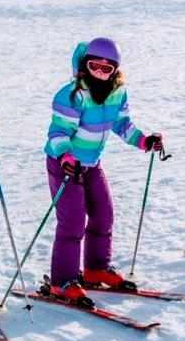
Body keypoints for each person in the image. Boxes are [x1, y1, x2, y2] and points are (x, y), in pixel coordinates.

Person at [43, 37, 164, 306]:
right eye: (93, 66)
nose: (99, 73)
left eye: (105, 69)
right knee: (72, 221)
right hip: (66, 165)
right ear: (85, 66)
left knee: (103, 215)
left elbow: (123, 124)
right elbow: (58, 132)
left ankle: (95, 268)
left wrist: (144, 140)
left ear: (115, 70)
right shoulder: (72, 95)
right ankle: (62, 281)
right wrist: (65, 156)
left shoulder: (118, 93)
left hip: (91, 164)